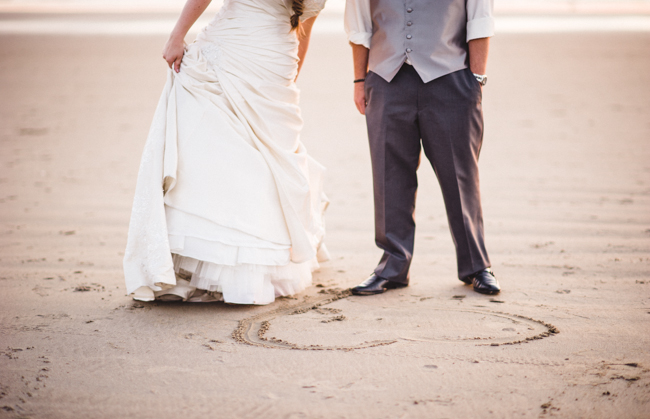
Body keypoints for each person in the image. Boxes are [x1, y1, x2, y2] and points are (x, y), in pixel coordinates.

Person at [123, 0, 329, 304]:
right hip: (274, 57)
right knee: (255, 159)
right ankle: (248, 266)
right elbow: (303, 30)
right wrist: (284, 81)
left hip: (233, 49)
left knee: (209, 151)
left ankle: (205, 263)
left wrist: (176, 36)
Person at [345, 0, 501, 296]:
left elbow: (480, 19)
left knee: (460, 177)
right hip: (386, 79)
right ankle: (392, 267)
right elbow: (359, 24)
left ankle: (477, 265)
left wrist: (476, 80)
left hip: (451, 79)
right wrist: (359, 80)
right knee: (388, 176)